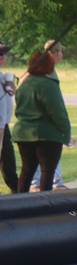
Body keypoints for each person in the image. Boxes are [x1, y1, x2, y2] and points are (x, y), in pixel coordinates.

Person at [12, 49, 71, 193]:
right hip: (47, 136)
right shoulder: (49, 85)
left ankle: (20, 202)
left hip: (23, 134)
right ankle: (45, 204)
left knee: (27, 170)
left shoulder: (24, 85)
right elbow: (58, 113)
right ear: (49, 66)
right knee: (47, 171)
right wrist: (66, 131)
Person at [0, 41, 17, 192]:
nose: (2, 57)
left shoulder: (2, 75)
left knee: (7, 157)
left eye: (3, 54)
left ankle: (15, 188)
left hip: (3, 124)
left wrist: (11, 88)